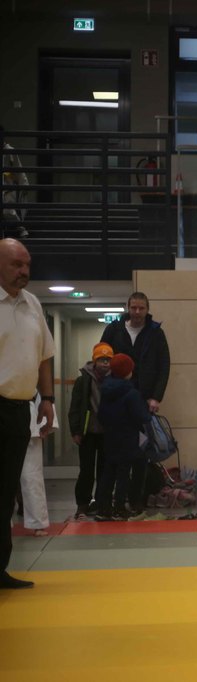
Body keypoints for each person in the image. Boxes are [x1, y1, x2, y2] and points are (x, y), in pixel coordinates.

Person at [0, 238, 55, 589]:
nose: (24, 271)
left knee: (7, 492)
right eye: (16, 264)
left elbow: (45, 355)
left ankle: (0, 568)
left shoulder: (32, 303)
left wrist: (47, 398)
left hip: (21, 407)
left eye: (27, 265)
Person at [100, 291, 171, 513]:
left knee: (141, 454)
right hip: (117, 401)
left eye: (141, 308)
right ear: (128, 308)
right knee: (113, 458)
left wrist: (156, 397)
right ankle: (107, 502)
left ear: (147, 309)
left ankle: (136, 499)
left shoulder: (156, 332)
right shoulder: (114, 330)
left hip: (143, 400)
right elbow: (102, 359)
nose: (137, 312)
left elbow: (164, 366)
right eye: (134, 308)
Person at [94, 354, 150, 522]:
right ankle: (119, 508)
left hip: (110, 436)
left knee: (108, 472)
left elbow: (101, 415)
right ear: (128, 372)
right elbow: (141, 417)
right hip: (128, 437)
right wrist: (147, 413)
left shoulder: (106, 389)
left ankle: (103, 509)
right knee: (123, 473)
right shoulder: (131, 393)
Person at [67, 342, 113, 519]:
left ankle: (101, 502)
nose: (105, 363)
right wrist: (75, 431)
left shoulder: (114, 380)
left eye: (108, 359)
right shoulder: (83, 380)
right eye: (102, 359)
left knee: (104, 469)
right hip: (87, 432)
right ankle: (82, 504)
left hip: (107, 433)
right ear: (94, 361)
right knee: (86, 470)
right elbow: (75, 407)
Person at [19, 394, 55, 536]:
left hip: (29, 409)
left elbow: (44, 391)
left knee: (31, 475)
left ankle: (38, 522)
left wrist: (47, 402)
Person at [1, 125, 29, 238]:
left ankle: (21, 230)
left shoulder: (9, 151)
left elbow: (18, 169)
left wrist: (24, 184)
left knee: (8, 210)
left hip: (8, 187)